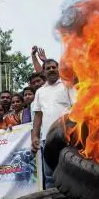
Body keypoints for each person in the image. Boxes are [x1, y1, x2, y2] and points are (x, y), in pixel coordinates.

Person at [31, 59, 75, 189]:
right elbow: (38, 116)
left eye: (53, 67)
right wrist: (35, 136)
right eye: (48, 68)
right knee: (50, 175)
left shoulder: (67, 85)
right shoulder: (40, 92)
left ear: (58, 69)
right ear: (43, 72)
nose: (51, 70)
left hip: (67, 137)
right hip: (47, 140)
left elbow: (76, 108)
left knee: (70, 173)